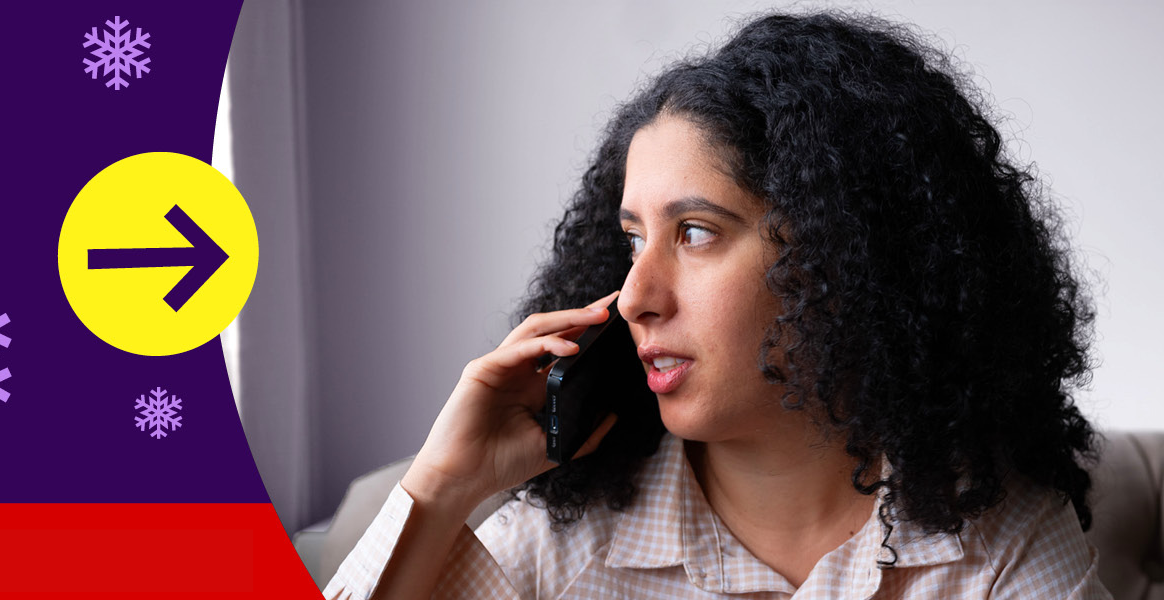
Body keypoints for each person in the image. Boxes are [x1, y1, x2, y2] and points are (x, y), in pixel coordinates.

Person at [325, 10, 1110, 599]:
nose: (635, 298)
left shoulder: (1002, 542)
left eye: (695, 233)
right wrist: (442, 487)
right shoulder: (557, 550)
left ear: (847, 255)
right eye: (634, 240)